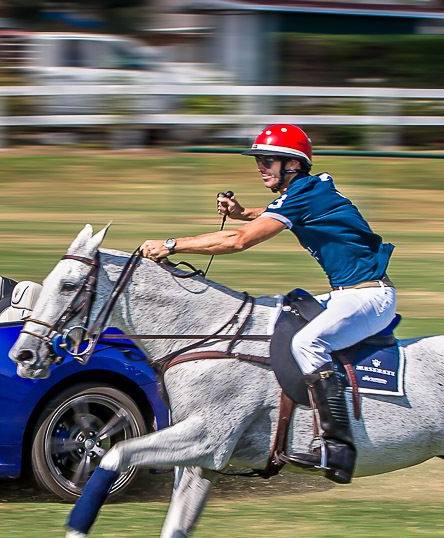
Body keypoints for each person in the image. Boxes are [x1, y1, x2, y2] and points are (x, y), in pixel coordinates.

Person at [140, 124, 395, 483]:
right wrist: (244, 211)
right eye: (258, 160)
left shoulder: (304, 194)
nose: (260, 167)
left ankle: (336, 444)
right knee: (276, 319)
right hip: (349, 293)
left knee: (308, 343)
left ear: (292, 164)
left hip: (368, 296)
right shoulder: (304, 191)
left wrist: (172, 244)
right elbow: (273, 213)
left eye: (267, 160)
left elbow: (238, 242)